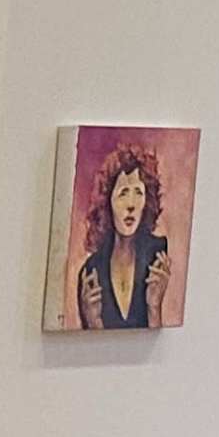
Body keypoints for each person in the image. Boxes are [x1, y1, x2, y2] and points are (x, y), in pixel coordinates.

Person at [72, 141, 171, 330]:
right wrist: (93, 321)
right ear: (107, 202)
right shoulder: (92, 270)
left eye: (138, 193)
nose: (131, 205)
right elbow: (92, 351)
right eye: (123, 193)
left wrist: (154, 307)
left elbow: (155, 343)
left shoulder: (157, 256)